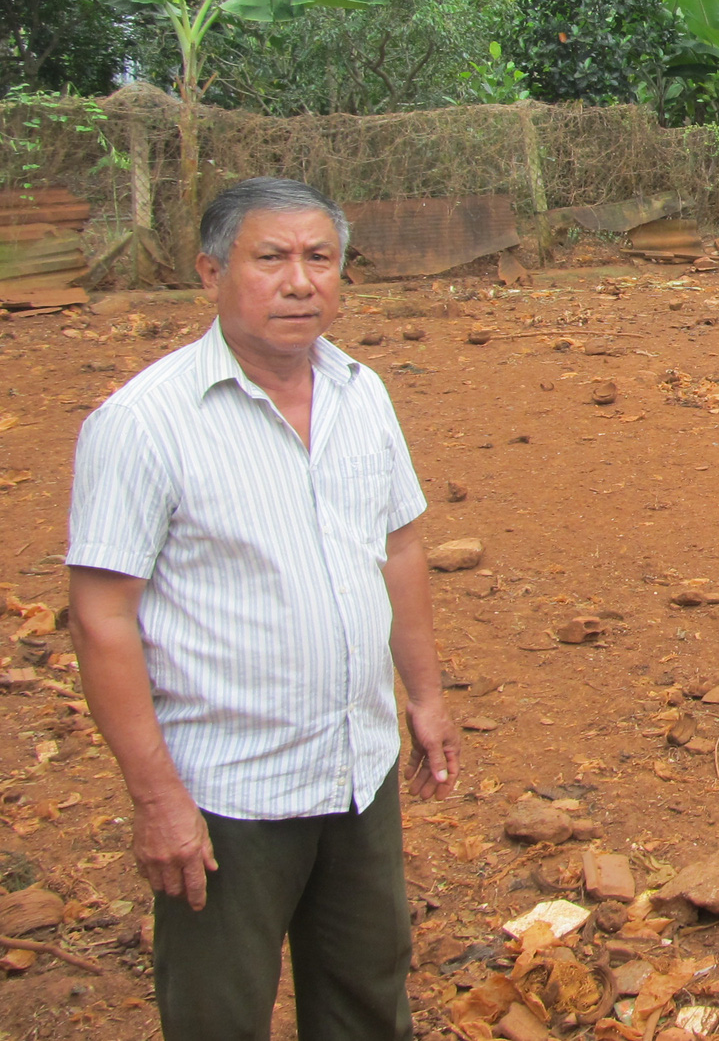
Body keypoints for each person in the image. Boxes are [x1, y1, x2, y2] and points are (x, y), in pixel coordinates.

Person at [67, 176, 460, 1040]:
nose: (299, 281)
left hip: (358, 769)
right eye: (271, 258)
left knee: (367, 994)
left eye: (320, 259)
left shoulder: (363, 394)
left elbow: (399, 548)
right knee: (219, 1013)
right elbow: (102, 619)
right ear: (211, 273)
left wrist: (424, 698)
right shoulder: (142, 423)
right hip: (226, 796)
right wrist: (157, 798)